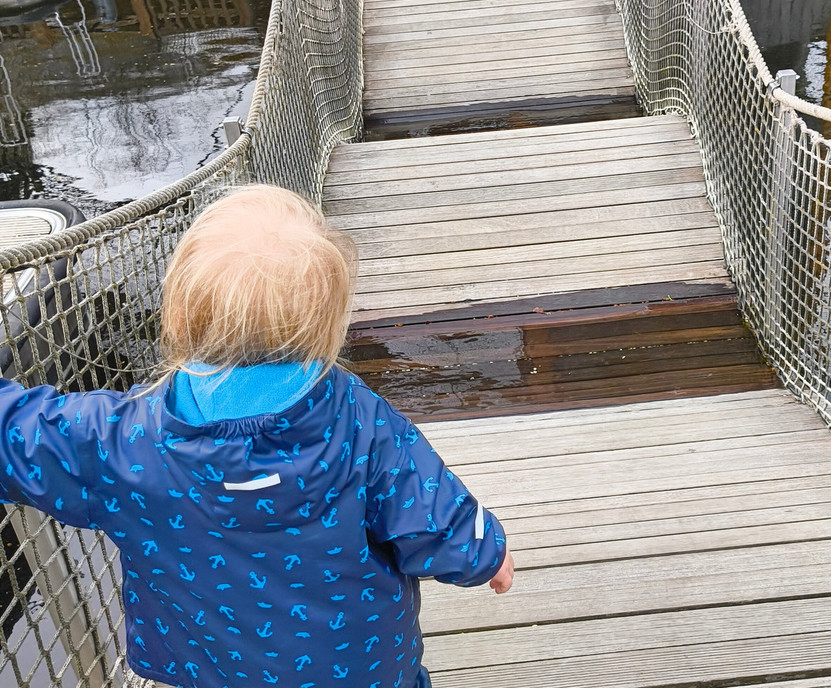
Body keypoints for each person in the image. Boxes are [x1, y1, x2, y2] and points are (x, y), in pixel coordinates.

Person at [0, 184, 513, 688]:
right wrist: (485, 553)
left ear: (177, 312)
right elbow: (432, 512)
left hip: (213, 670)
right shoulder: (361, 424)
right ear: (327, 324)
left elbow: (16, 434)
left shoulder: (119, 442)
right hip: (361, 672)